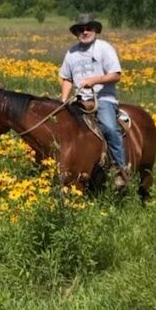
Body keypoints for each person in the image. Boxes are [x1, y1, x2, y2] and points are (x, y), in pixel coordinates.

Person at [58, 13, 129, 189]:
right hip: (79, 99)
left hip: (103, 98)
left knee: (109, 128)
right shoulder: (71, 52)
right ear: (76, 33)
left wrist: (95, 80)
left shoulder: (104, 48)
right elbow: (67, 78)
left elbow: (116, 75)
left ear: (95, 30)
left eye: (88, 28)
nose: (85, 32)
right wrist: (63, 100)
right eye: (81, 29)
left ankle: (120, 170)